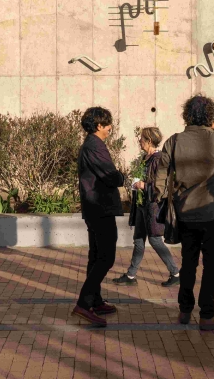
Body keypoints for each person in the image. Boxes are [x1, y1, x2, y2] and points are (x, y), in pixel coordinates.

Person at [155, 94, 214, 331]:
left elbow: (161, 173)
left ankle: (184, 310)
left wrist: (161, 197)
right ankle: (207, 314)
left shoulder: (174, 141)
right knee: (212, 266)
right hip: (212, 214)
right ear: (210, 116)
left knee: (188, 263)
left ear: (187, 115)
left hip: (185, 213)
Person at [72, 106, 125, 326]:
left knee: (96, 256)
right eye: (107, 124)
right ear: (99, 126)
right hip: (100, 208)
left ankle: (95, 300)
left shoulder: (92, 145)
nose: (110, 127)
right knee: (106, 257)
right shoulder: (94, 145)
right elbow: (111, 177)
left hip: (95, 208)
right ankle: (83, 305)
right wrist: (122, 175)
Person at [113, 127, 180, 287]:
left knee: (155, 240)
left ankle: (176, 273)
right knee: (138, 240)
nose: (139, 141)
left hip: (153, 206)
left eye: (142, 138)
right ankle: (130, 276)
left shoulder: (158, 159)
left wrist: (143, 185)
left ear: (149, 141)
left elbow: (161, 186)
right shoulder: (146, 158)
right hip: (142, 206)